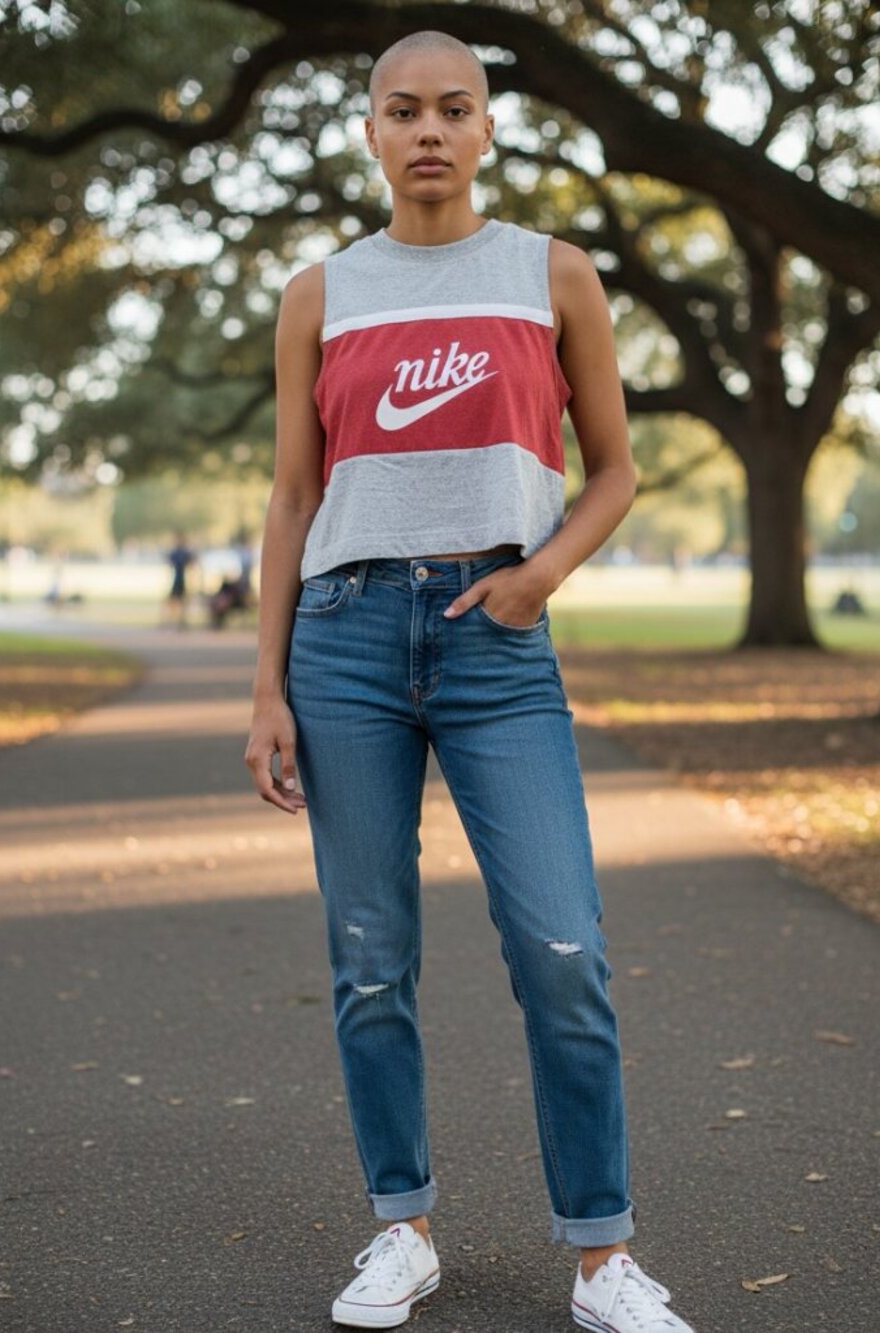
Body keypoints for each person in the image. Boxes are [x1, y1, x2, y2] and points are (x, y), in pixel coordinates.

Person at [245, 29, 696, 1333]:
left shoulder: (553, 273)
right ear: (372, 134)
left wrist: (541, 573)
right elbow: (291, 495)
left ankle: (604, 1257)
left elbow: (614, 468)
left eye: (454, 108)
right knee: (371, 957)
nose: (429, 130)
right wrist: (265, 685)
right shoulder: (320, 293)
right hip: (343, 638)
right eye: (403, 110)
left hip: (498, 634)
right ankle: (403, 1229)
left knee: (562, 948)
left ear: (487, 127)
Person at [162, 531, 197, 629]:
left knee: (181, 601)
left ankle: (181, 621)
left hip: (182, 579)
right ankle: (172, 620)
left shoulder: (183, 552)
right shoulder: (178, 552)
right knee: (174, 601)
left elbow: (191, 565)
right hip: (177, 579)